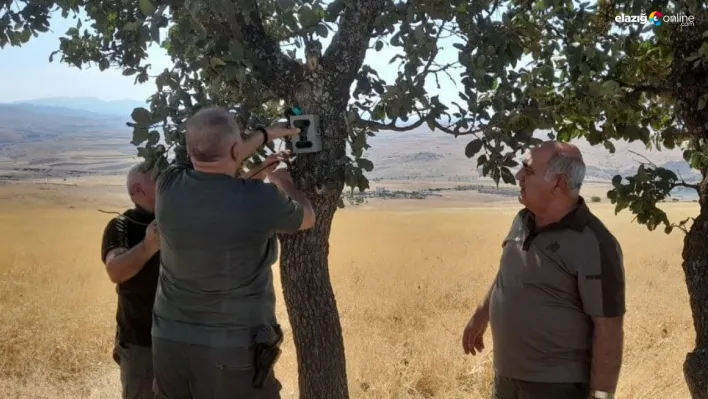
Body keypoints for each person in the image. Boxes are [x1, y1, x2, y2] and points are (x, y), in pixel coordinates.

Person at [151, 106, 315, 399]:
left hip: (168, 342)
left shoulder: (168, 185)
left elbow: (218, 170)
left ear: (190, 150)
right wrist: (282, 180)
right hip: (231, 347)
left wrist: (264, 136)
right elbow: (307, 217)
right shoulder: (260, 199)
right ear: (237, 148)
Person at [462, 141, 625, 399]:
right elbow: (510, 270)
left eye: (527, 170)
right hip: (506, 377)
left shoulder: (594, 242)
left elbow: (609, 329)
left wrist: (601, 396)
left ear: (558, 183)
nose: (518, 176)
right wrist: (481, 315)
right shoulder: (522, 220)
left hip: (555, 387)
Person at [100, 163, 160, 399]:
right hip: (142, 342)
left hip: (183, 337)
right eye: (158, 178)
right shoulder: (121, 226)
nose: (167, 182)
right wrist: (148, 246)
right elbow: (115, 270)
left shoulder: (178, 220)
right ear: (138, 189)